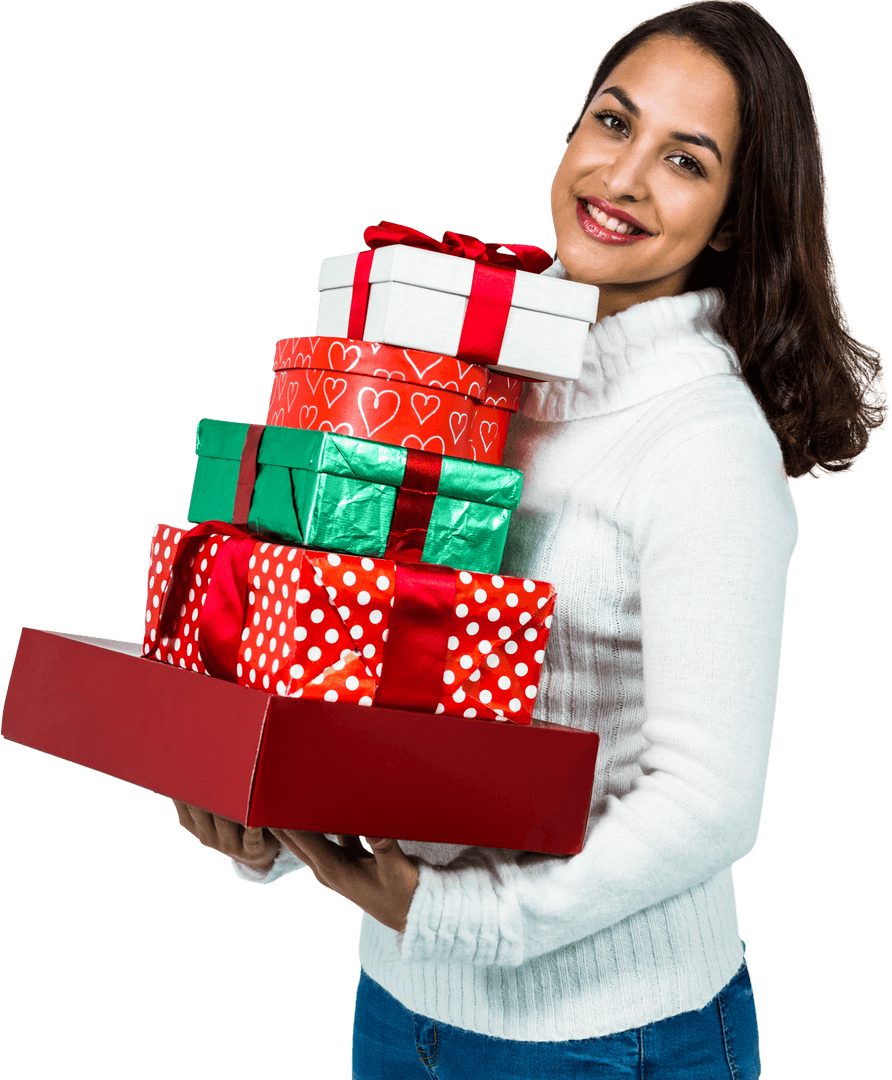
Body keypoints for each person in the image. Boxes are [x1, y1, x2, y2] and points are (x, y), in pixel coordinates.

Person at [172, 1, 887, 1075]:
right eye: (611, 123)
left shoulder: (704, 444)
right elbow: (371, 664)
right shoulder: (452, 371)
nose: (623, 177)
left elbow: (708, 805)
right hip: (399, 1005)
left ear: (735, 217)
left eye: (684, 160)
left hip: (607, 1037)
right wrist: (269, 821)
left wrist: (465, 921)